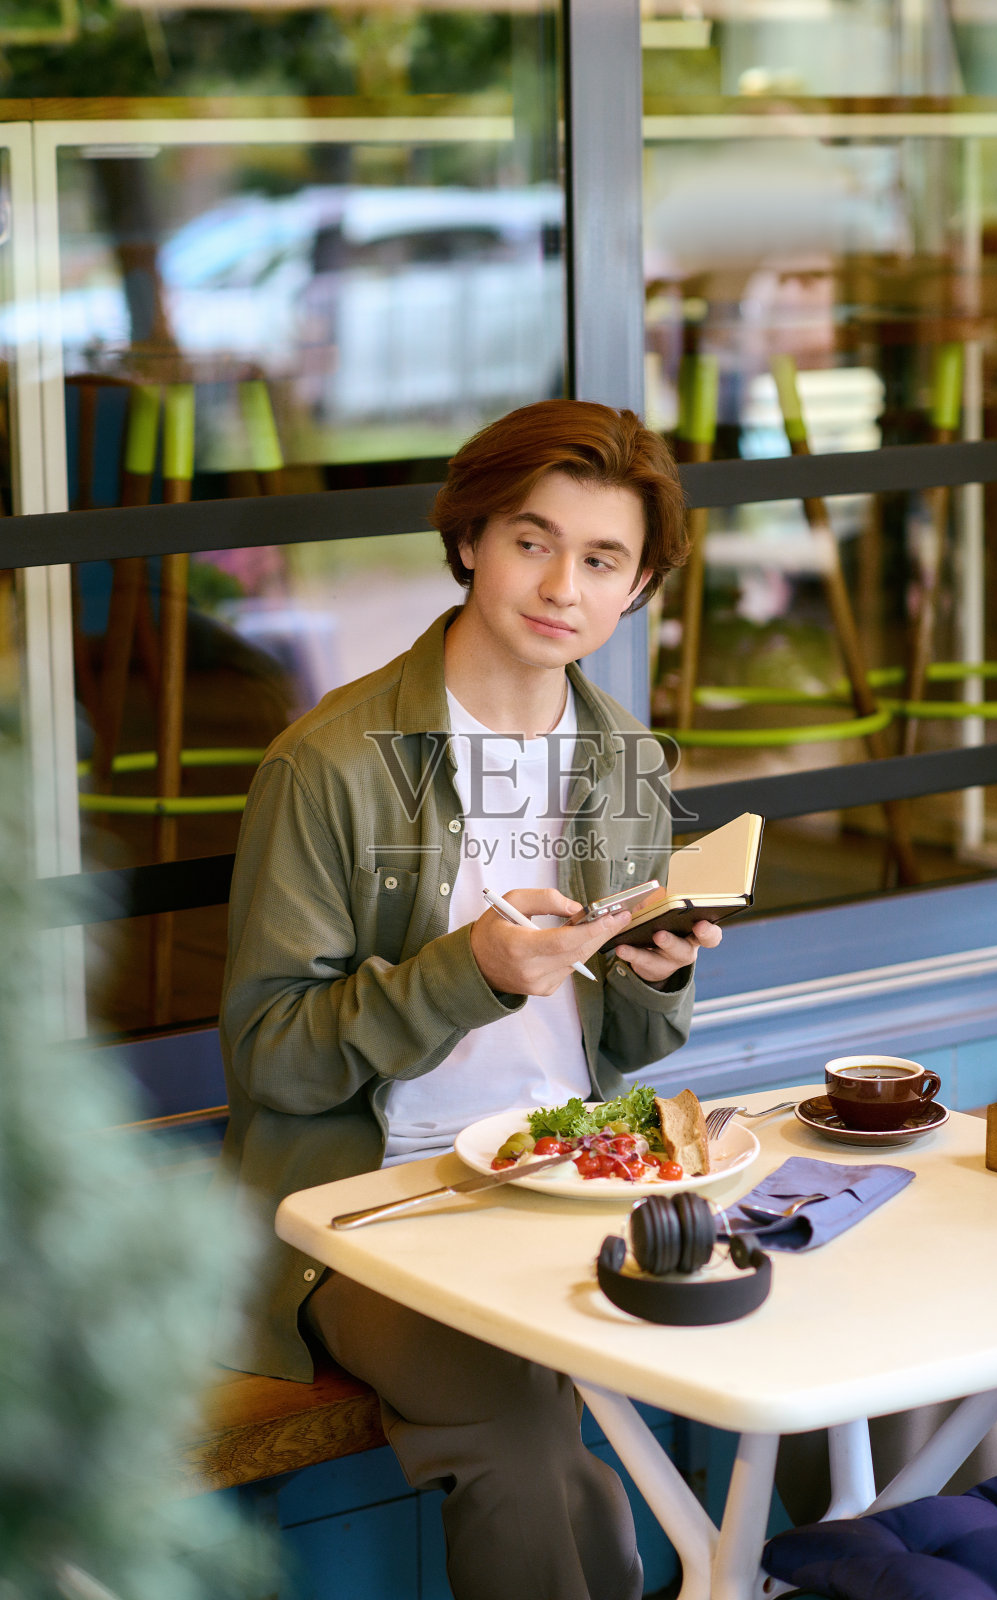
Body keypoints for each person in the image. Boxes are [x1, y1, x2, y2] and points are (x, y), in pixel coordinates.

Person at [217, 399, 722, 1600]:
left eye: (600, 558)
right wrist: (473, 972)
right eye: (529, 540)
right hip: (363, 1214)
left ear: (636, 587)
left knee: (791, 1334)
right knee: (531, 1453)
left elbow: (624, 1047)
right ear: (468, 542)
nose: (560, 584)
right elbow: (271, 1055)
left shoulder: (622, 760)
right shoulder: (327, 764)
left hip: (566, 1175)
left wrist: (658, 979)